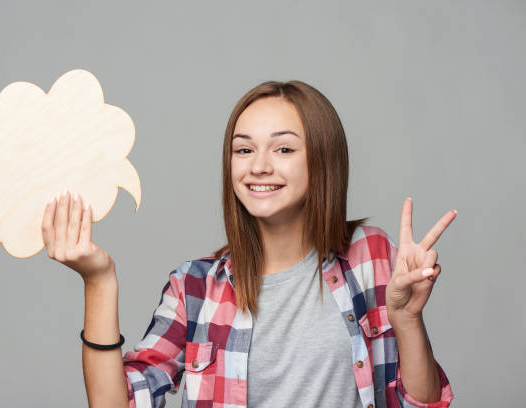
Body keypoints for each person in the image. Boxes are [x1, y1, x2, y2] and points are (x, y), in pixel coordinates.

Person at [41, 80, 456, 408]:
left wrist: (406, 320)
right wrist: (98, 281)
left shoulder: (371, 255)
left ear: (323, 160)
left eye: (284, 148)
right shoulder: (195, 286)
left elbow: (421, 403)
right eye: (244, 149)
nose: (259, 165)